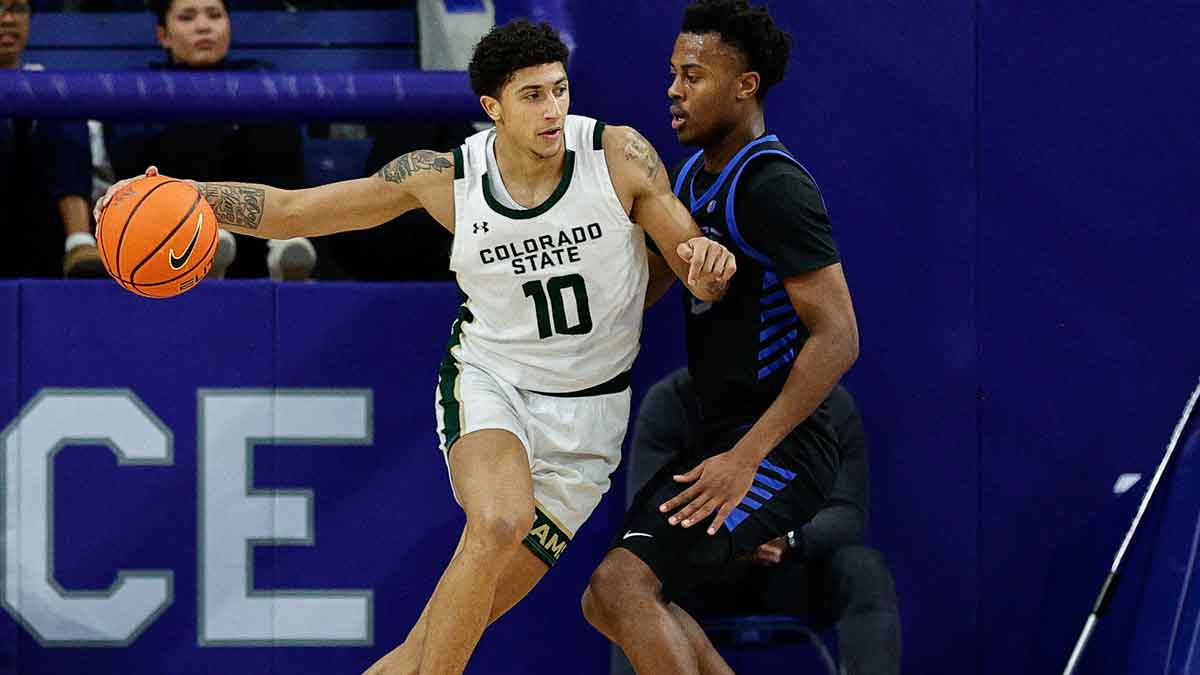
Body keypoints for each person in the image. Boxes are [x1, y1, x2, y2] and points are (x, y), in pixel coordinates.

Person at [98, 19, 736, 675]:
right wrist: (182, 195)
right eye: (532, 96)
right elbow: (294, 211)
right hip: (493, 385)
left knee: (427, 647)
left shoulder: (618, 155)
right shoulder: (444, 177)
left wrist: (705, 267)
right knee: (496, 519)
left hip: (589, 424)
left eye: (559, 90)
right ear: (492, 108)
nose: (553, 110)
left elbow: (686, 253)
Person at [581, 2, 862, 673]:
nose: (673, 90)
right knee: (606, 597)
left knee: (625, 585)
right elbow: (645, 291)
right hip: (720, 435)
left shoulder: (775, 185)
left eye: (692, 75)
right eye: (672, 74)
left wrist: (746, 456)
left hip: (778, 448)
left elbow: (840, 336)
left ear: (745, 85)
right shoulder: (688, 180)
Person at [610, 370, 900, 675]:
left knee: (863, 568)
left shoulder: (831, 402)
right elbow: (648, 515)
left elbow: (847, 515)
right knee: (628, 578)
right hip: (701, 574)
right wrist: (728, 537)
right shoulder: (673, 400)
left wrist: (789, 538)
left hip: (789, 571)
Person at [103, 0, 316, 281]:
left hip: (255, 238)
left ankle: (284, 242)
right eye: (187, 18)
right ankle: (202, 248)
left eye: (215, 15)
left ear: (228, 26)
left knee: (271, 116)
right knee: (189, 130)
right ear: (163, 35)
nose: (204, 26)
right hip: (164, 237)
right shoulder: (140, 86)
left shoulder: (260, 77)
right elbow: (127, 158)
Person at [0, 0, 103, 280]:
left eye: (18, 8)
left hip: (44, 233)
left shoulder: (53, 85)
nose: (7, 19)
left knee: (59, 97)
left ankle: (79, 242)